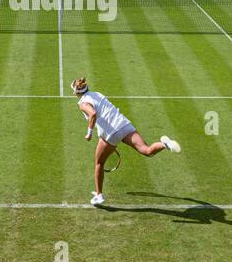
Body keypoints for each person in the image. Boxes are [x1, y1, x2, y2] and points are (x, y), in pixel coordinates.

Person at [72, 77, 180, 206]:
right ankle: (164, 144)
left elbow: (93, 113)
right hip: (124, 124)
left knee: (99, 163)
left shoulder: (82, 103)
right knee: (147, 151)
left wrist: (89, 132)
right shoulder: (97, 94)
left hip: (111, 133)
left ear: (76, 92)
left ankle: (99, 195)